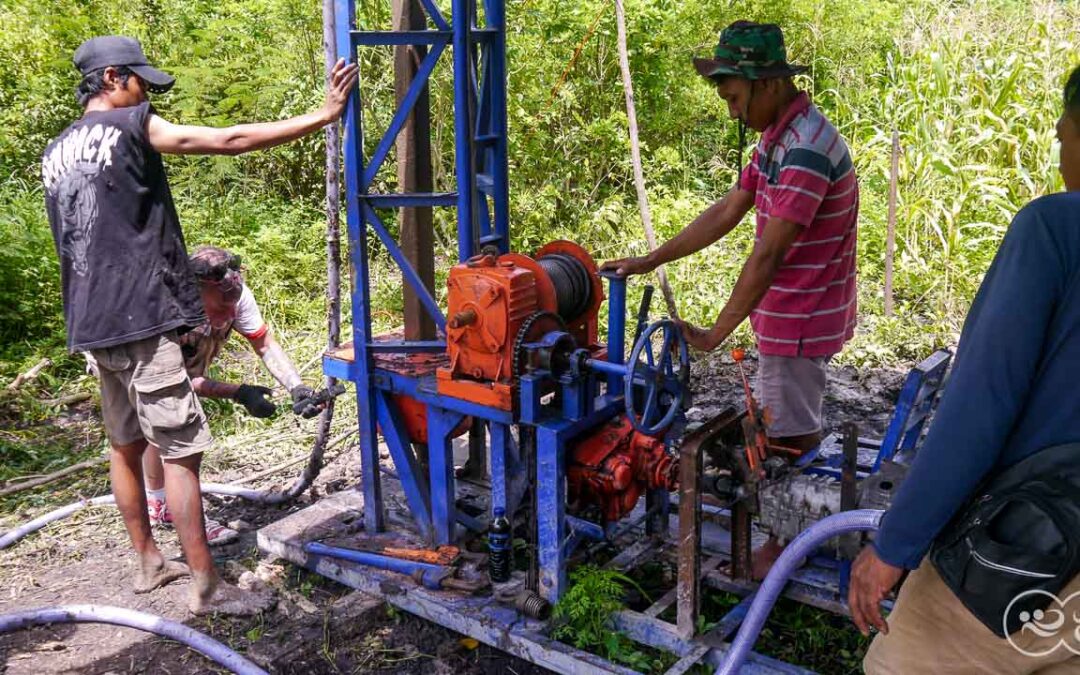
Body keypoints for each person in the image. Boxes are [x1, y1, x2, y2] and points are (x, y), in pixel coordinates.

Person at [41, 35, 357, 615]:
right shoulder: (132, 125)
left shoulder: (55, 150)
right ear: (112, 78)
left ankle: (147, 562)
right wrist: (324, 114)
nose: (145, 93)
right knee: (182, 452)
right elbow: (226, 141)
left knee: (124, 444)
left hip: (92, 320)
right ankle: (208, 586)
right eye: (139, 81)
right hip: (142, 313)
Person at [603, 21, 858, 578]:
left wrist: (716, 334)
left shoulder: (806, 151)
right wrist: (650, 260)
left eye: (735, 97)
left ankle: (784, 544)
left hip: (800, 315)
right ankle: (790, 527)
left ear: (767, 84)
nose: (732, 111)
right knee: (782, 422)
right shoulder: (777, 138)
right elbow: (728, 210)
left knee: (787, 433)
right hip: (790, 311)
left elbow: (766, 256)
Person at [850, 66, 1080, 674]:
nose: (1060, 148)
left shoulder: (1055, 229)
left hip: (1027, 559)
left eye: (1064, 135)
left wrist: (895, 545)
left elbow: (979, 408)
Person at [134, 245, 323, 546]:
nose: (229, 314)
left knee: (165, 428)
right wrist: (239, 393)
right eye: (221, 307)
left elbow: (263, 344)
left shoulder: (235, 295)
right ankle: (166, 508)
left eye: (232, 306)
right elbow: (175, 384)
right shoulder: (168, 308)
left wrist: (296, 387)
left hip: (184, 365)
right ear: (195, 293)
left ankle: (161, 502)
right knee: (165, 427)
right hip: (135, 362)